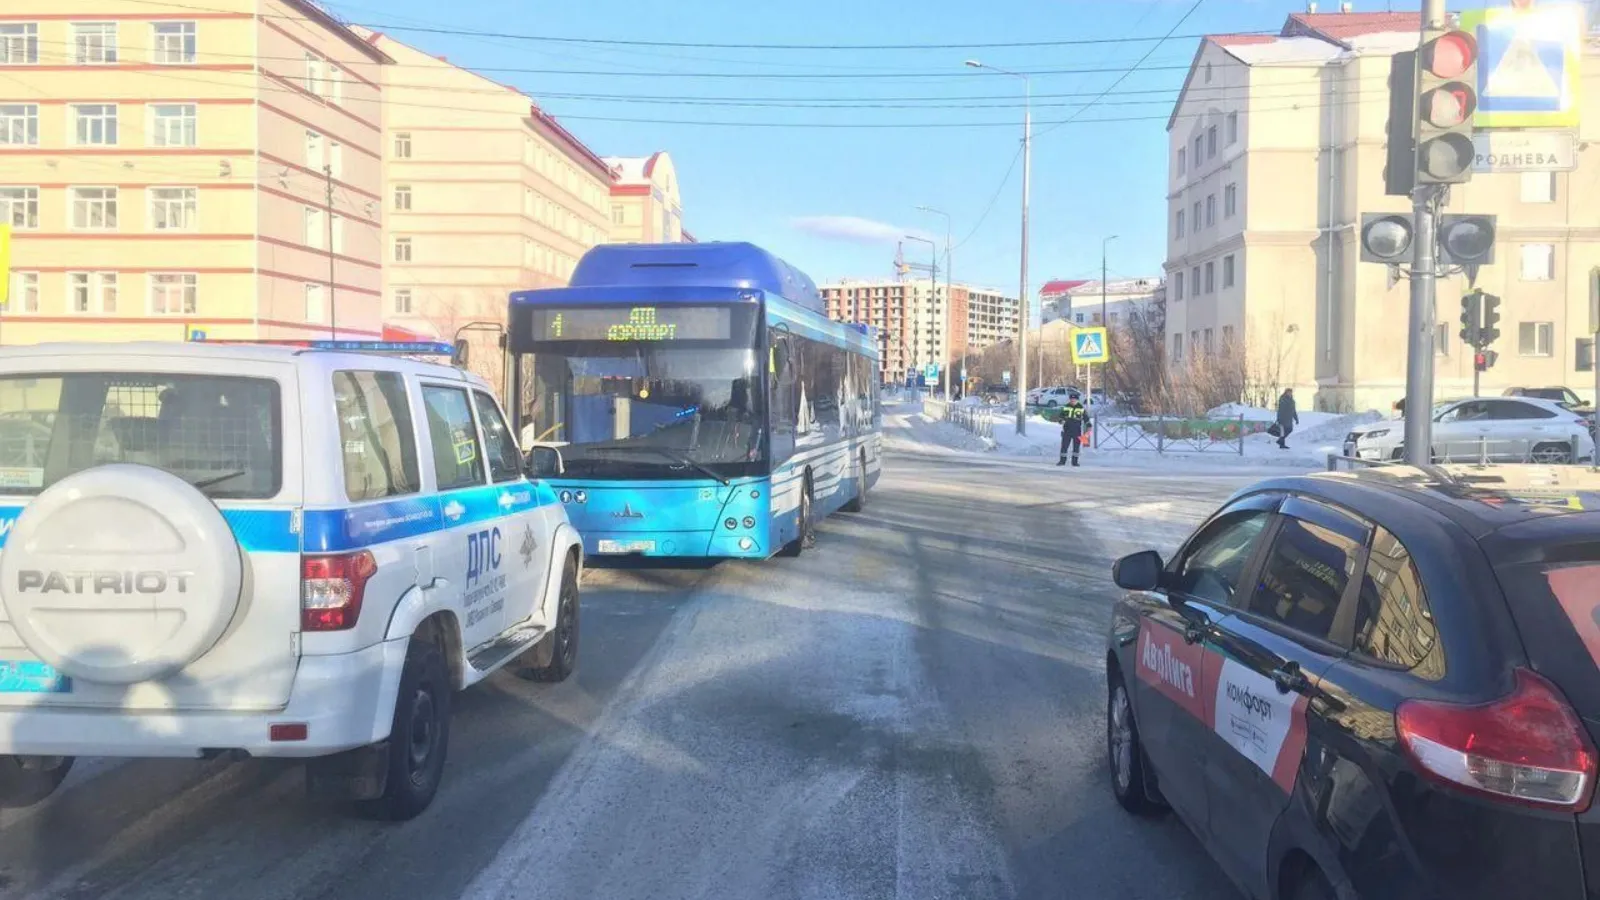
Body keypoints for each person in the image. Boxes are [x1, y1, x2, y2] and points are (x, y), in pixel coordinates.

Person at [1057, 393, 1090, 467]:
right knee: (1064, 446)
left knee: (1076, 446)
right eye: (1071, 399)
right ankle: (1062, 461)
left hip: (1077, 429)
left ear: (1077, 400)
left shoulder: (1081, 408)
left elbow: (1085, 418)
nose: (1073, 401)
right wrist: (1061, 420)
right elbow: (1060, 416)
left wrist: (1088, 424)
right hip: (1067, 429)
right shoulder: (1066, 407)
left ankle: (1074, 462)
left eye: (1074, 399)